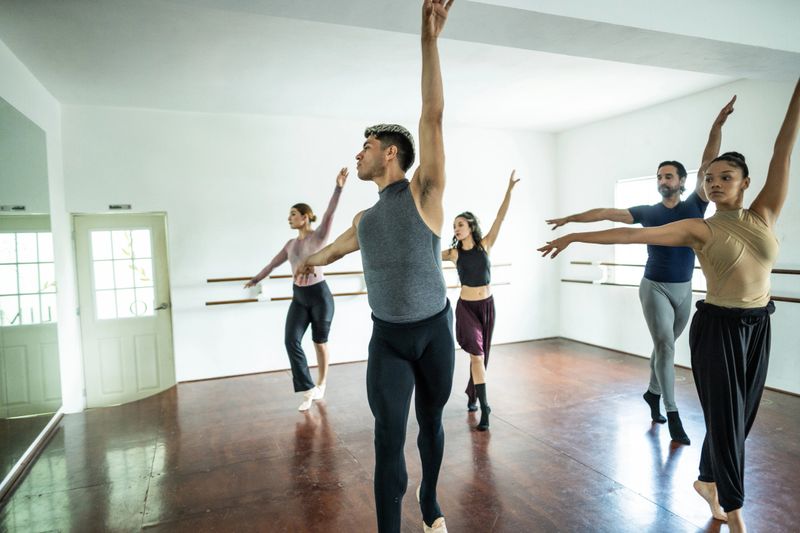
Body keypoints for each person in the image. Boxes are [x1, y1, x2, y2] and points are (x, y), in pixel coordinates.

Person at [538, 78, 799, 533]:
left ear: (745, 183)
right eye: (710, 179)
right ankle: (735, 514)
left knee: (742, 418)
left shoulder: (765, 213)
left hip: (760, 324)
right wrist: (574, 234)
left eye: (725, 178)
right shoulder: (697, 228)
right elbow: (628, 233)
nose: (715, 184)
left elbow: (783, 147)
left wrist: (796, 95)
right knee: (726, 418)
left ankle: (707, 480)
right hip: (717, 327)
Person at [295, 2, 456, 531]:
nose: (358, 154)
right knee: (388, 435)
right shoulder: (365, 219)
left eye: (365, 147)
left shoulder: (424, 194)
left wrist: (428, 41)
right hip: (387, 338)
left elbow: (431, 114)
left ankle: (430, 505)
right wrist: (306, 261)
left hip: (434, 331)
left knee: (429, 423)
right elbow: (334, 249)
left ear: (389, 154)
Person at [543, 96, 738, 445]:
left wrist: (717, 126)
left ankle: (651, 392)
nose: (663, 180)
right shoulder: (648, 212)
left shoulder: (696, 204)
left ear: (682, 182)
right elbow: (607, 213)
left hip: (685, 289)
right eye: (660, 176)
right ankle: (673, 413)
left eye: (669, 175)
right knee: (665, 346)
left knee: (664, 347)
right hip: (655, 287)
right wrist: (571, 222)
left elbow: (708, 160)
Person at [244, 168, 348, 411]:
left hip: (320, 296)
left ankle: (322, 384)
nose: (289, 218)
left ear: (304, 217)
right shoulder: (290, 244)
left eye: (293, 214)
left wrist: (339, 187)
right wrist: (256, 279)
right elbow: (273, 264)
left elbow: (330, 212)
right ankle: (307, 388)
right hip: (299, 298)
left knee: (319, 342)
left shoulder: (319, 237)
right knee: (291, 340)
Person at [442, 170, 519, 430]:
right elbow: (427, 252)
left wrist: (508, 192)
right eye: (454, 226)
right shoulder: (453, 253)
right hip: (466, 308)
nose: (456, 229)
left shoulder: (485, 245)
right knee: (476, 355)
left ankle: (473, 394)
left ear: (471, 226)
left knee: (483, 356)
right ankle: (485, 408)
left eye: (460, 224)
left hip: (487, 305)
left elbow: (500, 217)